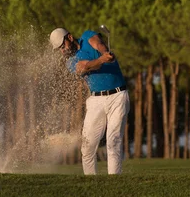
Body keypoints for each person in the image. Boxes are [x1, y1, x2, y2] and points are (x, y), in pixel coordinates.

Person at [49, 27, 130, 175]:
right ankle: (91, 183)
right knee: (87, 148)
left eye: (62, 46)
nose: (62, 51)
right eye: (59, 49)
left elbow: (98, 44)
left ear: (70, 38)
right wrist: (101, 59)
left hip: (118, 96)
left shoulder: (87, 36)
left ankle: (114, 183)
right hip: (96, 100)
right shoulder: (71, 62)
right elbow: (85, 66)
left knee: (113, 142)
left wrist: (105, 52)